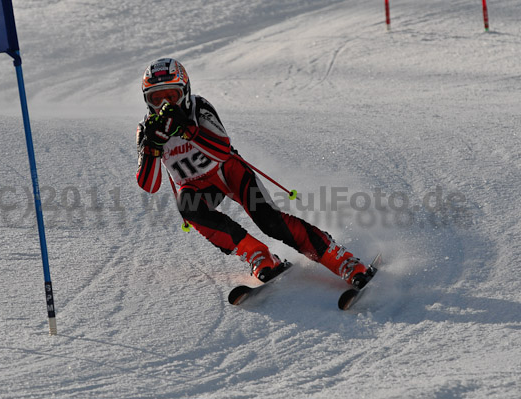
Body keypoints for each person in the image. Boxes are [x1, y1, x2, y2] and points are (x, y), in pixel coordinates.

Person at [135, 57, 373, 287]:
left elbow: (222, 150)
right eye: (156, 99)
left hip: (228, 171)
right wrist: (151, 148)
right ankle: (258, 255)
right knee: (186, 205)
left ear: (185, 92)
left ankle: (340, 258)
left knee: (269, 221)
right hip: (198, 187)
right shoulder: (147, 130)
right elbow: (150, 185)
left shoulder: (199, 107)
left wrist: (187, 131)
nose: (165, 105)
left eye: (171, 96)